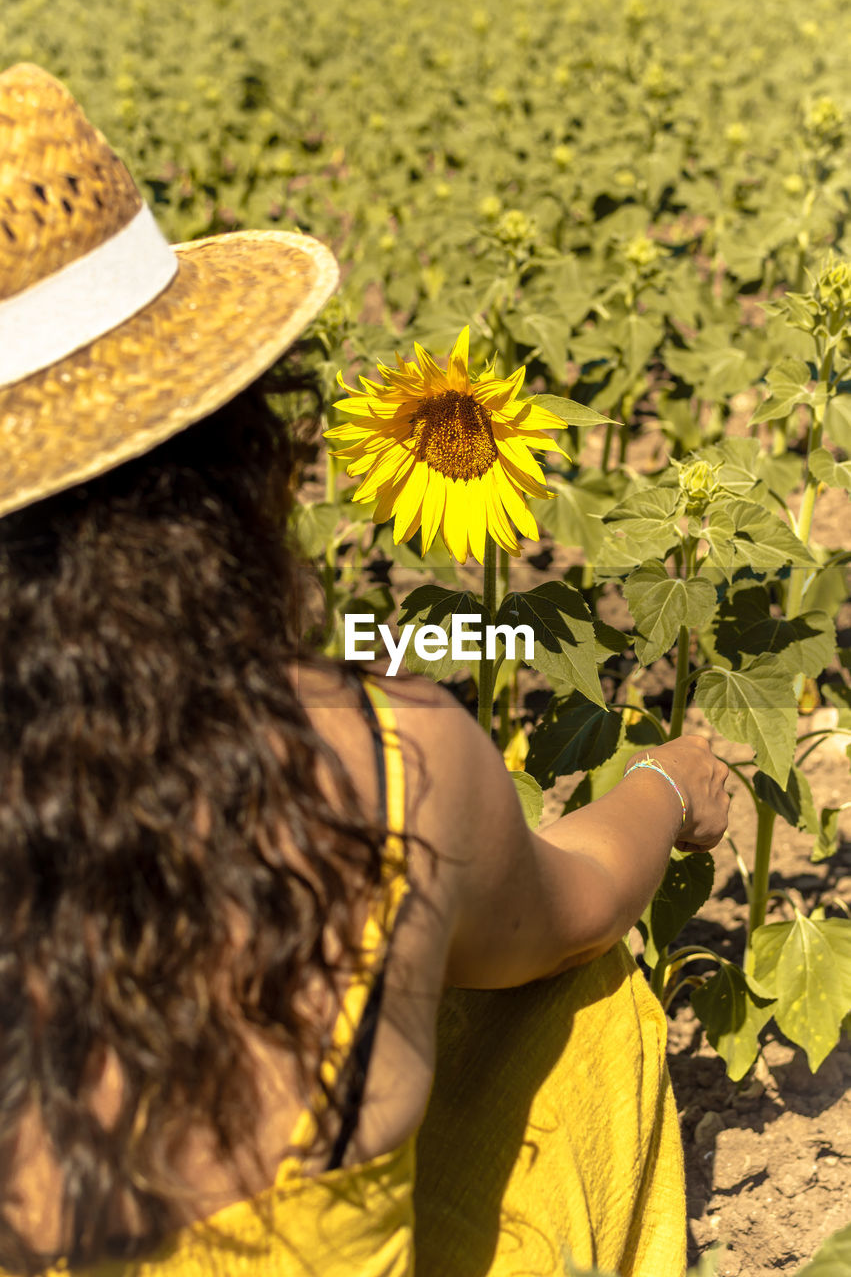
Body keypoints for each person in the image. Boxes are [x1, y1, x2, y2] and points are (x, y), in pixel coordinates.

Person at [0, 64, 730, 1277]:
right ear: (235, 447)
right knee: (581, 1008)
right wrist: (662, 778)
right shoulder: (382, 757)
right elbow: (574, 907)